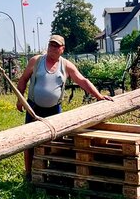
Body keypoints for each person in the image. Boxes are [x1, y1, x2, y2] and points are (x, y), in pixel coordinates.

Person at [16, 34, 114, 181]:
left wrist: (98, 96)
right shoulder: (36, 61)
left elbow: (82, 80)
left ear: (62, 49)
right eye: (51, 45)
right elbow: (23, 79)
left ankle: (54, 172)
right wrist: (20, 100)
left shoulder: (66, 65)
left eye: (56, 46)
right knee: (29, 142)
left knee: (56, 142)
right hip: (34, 107)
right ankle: (29, 174)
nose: (53, 48)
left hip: (54, 110)